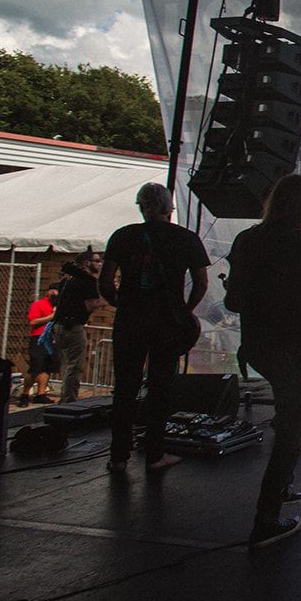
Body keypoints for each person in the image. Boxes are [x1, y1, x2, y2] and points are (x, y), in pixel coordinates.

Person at [226, 174, 301, 550]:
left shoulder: (247, 240)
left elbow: (232, 301)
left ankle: (284, 484)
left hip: (257, 345)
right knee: (291, 427)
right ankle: (266, 519)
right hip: (290, 346)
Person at [99, 183, 210, 474]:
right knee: (161, 389)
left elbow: (105, 281)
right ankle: (155, 454)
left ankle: (118, 457)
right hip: (167, 324)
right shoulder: (186, 238)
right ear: (168, 207)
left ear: (142, 205)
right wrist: (185, 310)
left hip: (130, 321)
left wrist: (122, 303)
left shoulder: (123, 236)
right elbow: (201, 283)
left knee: (125, 389)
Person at [51, 250, 104, 403]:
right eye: (96, 261)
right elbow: (89, 306)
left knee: (66, 365)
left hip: (59, 326)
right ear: (87, 263)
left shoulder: (67, 279)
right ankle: (69, 400)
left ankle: (64, 397)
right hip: (73, 327)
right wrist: (106, 300)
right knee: (75, 366)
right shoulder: (88, 282)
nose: (99, 264)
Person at [21, 283, 60, 404]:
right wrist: (51, 317)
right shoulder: (39, 304)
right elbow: (33, 321)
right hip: (39, 338)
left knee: (47, 367)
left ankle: (41, 394)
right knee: (35, 366)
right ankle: (25, 393)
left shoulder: (59, 306)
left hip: (52, 339)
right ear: (50, 292)